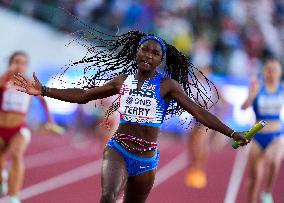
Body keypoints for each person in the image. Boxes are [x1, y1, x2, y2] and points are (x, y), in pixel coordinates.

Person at [13, 31, 250, 203]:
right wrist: (44, 90)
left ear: (160, 60)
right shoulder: (122, 81)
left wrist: (232, 132)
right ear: (137, 52)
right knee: (107, 197)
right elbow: (85, 95)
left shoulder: (167, 85)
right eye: (144, 49)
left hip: (147, 159)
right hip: (119, 149)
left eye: (155, 53)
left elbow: (198, 112)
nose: (148, 55)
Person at [0, 51, 56, 203]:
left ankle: (14, 196)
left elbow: (43, 101)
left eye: (23, 63)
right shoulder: (3, 79)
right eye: (17, 61)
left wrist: (50, 121)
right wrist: (7, 75)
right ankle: (2, 178)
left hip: (19, 128)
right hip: (1, 128)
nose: (20, 65)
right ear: (11, 62)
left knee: (17, 154)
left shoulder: (29, 83)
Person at [241, 58, 284, 203]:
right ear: (264, 71)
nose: (271, 73)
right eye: (268, 69)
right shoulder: (257, 87)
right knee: (254, 179)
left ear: (279, 73)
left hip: (276, 134)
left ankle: (267, 191)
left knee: (274, 161)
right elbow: (244, 107)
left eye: (274, 70)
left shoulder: (282, 88)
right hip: (257, 134)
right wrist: (252, 95)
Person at [185, 65, 231, 189]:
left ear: (209, 72)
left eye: (205, 70)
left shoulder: (212, 85)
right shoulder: (192, 83)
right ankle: (194, 167)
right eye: (201, 70)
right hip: (195, 117)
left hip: (207, 117)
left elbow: (225, 103)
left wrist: (220, 119)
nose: (203, 72)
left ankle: (199, 170)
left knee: (201, 143)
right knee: (192, 144)